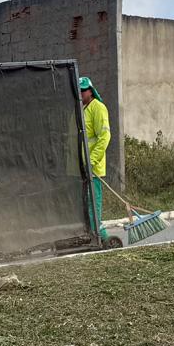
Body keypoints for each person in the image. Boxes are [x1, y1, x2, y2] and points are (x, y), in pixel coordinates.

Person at [79, 76, 111, 241]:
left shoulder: (98, 108)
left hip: (93, 168)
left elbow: (104, 137)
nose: (81, 93)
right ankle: (91, 236)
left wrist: (91, 162)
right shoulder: (82, 109)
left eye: (83, 90)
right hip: (82, 169)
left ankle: (102, 237)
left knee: (93, 205)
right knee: (85, 206)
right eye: (79, 90)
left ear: (90, 91)